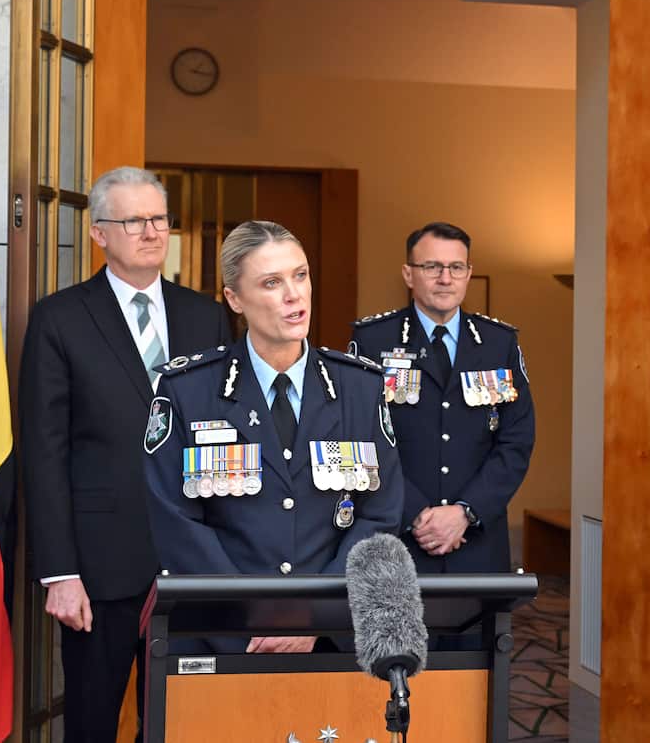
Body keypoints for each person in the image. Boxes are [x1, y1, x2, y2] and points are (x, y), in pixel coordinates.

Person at [20, 167, 231, 742]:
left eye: (158, 219)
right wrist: (60, 572)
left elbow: (226, 432)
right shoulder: (59, 318)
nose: (150, 232)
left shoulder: (205, 315)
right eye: (133, 221)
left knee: (179, 724)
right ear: (99, 234)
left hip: (192, 563)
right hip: (98, 568)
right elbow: (44, 452)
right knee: (92, 723)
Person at [144, 220, 404, 653]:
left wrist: (312, 616)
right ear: (234, 298)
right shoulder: (188, 389)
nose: (293, 295)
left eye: (300, 275)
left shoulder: (361, 387)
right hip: (220, 639)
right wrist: (253, 618)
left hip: (330, 639)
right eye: (271, 282)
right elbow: (176, 521)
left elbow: (380, 516)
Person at [349, 222, 534, 574]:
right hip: (397, 538)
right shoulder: (373, 340)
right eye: (432, 267)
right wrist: (417, 513)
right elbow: (359, 438)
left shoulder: (499, 344)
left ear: (468, 274)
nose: (445, 278)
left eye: (456, 267)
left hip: (476, 539)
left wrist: (465, 511)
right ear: (408, 274)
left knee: (476, 629)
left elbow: (517, 439)